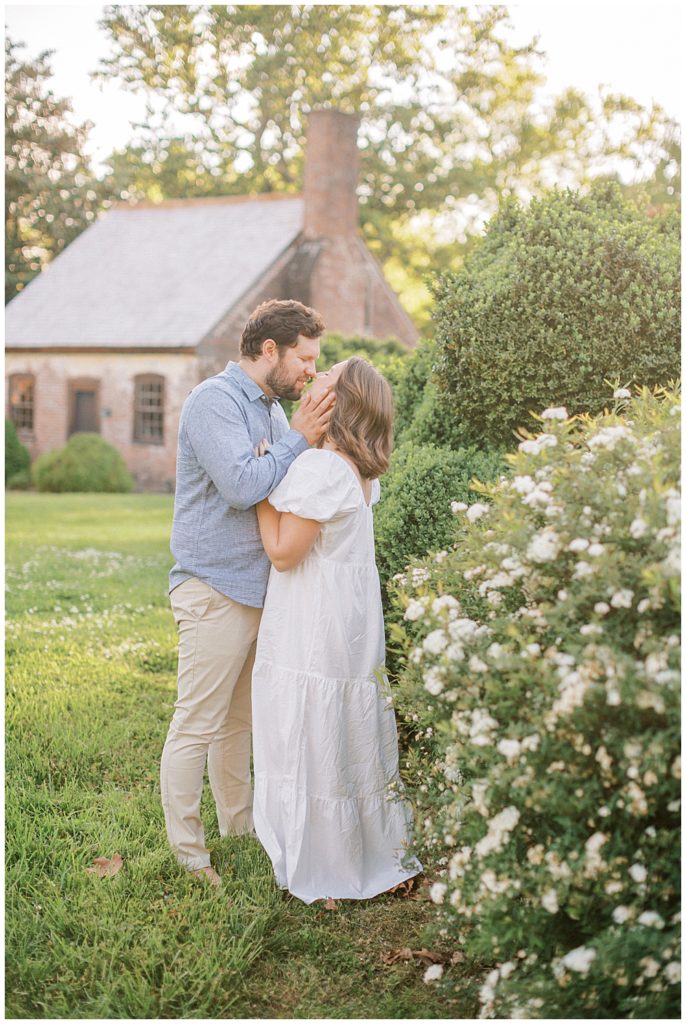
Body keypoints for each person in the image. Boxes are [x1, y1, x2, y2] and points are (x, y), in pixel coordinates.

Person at [161, 299, 335, 887]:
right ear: (271, 351)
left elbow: (280, 484)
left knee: (239, 725)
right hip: (212, 588)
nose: (310, 371)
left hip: (257, 592)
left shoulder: (269, 412)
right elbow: (242, 486)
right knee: (197, 723)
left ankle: (239, 829)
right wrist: (296, 441)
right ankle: (189, 856)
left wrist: (282, 451)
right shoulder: (216, 402)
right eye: (305, 359)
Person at [252, 357, 422, 903]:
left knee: (311, 733)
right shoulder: (358, 470)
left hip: (313, 626)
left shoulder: (323, 469)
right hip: (346, 628)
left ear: (339, 401)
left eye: (328, 375)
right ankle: (358, 846)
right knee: (344, 733)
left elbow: (282, 553)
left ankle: (324, 860)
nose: (316, 375)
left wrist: (259, 490)